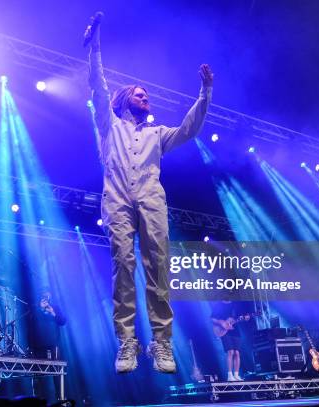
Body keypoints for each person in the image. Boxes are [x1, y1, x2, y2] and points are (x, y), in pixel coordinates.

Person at [85, 13, 214, 373]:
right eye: (140, 94)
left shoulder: (158, 135)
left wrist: (205, 93)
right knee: (123, 266)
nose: (146, 97)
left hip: (151, 198)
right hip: (117, 199)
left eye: (148, 95)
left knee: (157, 266)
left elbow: (190, 129)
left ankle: (161, 343)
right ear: (126, 99)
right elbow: (98, 84)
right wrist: (94, 42)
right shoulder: (109, 125)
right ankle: (127, 343)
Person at [30, 288, 66, 401]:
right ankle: (37, 400)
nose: (46, 298)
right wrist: (39, 308)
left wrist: (53, 313)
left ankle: (60, 398)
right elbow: (30, 323)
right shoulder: (35, 309)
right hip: (38, 345)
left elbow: (63, 321)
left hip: (53, 344)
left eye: (48, 296)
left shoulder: (55, 307)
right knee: (38, 373)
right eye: (44, 296)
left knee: (56, 372)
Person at [211, 300, 248, 381]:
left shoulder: (235, 305)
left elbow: (240, 317)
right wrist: (221, 323)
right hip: (224, 331)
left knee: (237, 353)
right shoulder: (218, 305)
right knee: (230, 351)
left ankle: (236, 375)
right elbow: (212, 318)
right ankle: (230, 375)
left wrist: (245, 318)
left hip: (235, 330)